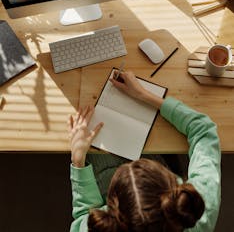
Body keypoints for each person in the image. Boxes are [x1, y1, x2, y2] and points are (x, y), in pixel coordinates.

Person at [68, 70, 221, 232]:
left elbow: (85, 216)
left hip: (99, 181)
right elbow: (204, 130)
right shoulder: (199, 212)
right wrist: (144, 95)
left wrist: (78, 161)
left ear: (113, 209)